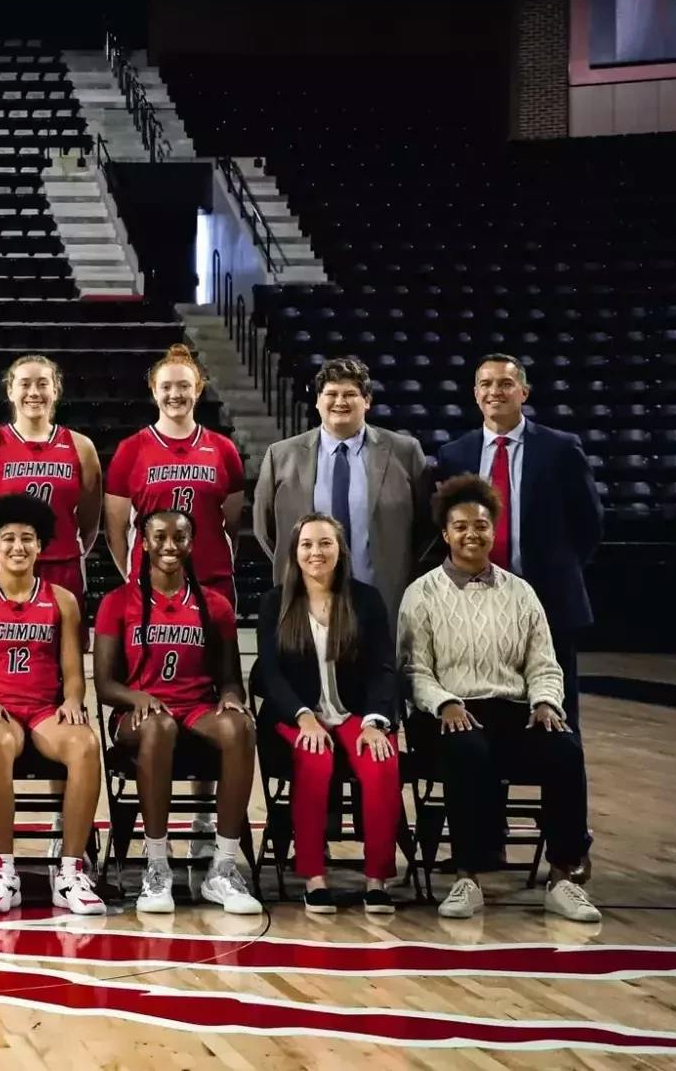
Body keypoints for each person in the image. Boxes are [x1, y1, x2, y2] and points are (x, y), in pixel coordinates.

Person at [397, 474, 598, 923]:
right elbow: (413, 671)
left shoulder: (521, 592)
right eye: (462, 526)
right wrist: (444, 702)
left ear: (494, 530)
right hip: (446, 711)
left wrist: (546, 702)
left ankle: (564, 875)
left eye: (481, 525)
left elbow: (545, 664)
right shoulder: (421, 594)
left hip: (511, 709)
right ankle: (469, 876)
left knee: (565, 749)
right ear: (446, 533)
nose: (472, 533)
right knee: (467, 748)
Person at [92, 509, 260, 916]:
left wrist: (233, 698)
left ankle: (222, 867)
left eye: (180, 537)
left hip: (197, 708)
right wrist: (137, 698)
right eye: (160, 537)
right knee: (159, 728)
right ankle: (157, 866)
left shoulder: (215, 605)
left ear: (191, 543)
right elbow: (104, 684)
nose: (170, 545)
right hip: (139, 716)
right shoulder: (117, 602)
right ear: (144, 543)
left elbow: (230, 678)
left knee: (239, 727)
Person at [0, 493, 105, 916]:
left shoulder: (62, 600)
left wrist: (72, 700)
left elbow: (73, 671)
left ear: (41, 545)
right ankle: (3, 870)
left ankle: (70, 872)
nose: (18, 547)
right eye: (9, 538)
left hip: (43, 711)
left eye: (28, 539)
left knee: (86, 744)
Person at [433, 354, 601, 735]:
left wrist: (559, 572)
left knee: (559, 713)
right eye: (487, 384)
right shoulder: (454, 454)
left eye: (506, 384)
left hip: (549, 600)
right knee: (487, 709)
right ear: (476, 395)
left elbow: (588, 524)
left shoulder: (561, 449)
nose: (496, 391)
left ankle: (561, 792)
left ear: (523, 392)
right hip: (476, 603)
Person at [254, 513, 403, 915]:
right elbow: (269, 672)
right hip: (295, 715)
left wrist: (374, 721)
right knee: (314, 759)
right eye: (307, 545)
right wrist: (303, 716)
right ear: (294, 553)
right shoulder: (275, 602)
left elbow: (382, 669)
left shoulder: (366, 600)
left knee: (381, 761)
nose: (316, 552)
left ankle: (377, 879)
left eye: (325, 543)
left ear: (340, 550)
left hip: (355, 712)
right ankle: (314, 878)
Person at [252, 356, 430, 622]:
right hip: (307, 601)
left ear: (367, 400)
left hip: (383, 600)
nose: (340, 402)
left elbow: (426, 527)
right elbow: (265, 530)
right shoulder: (281, 455)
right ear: (317, 401)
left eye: (350, 394)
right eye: (331, 394)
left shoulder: (405, 452)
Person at [104, 344, 245, 607]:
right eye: (166, 387)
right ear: (154, 390)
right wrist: (136, 576)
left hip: (211, 582)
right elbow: (115, 532)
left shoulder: (223, 449)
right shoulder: (131, 449)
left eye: (184, 386)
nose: (175, 394)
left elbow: (231, 528)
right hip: (150, 583)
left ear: (199, 389)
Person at [0, 354, 103, 597]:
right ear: (10, 391)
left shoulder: (81, 447)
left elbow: (90, 522)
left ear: (56, 390)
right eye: (24, 384)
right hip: (6, 567)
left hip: (62, 566)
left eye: (42, 384)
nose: (34, 392)